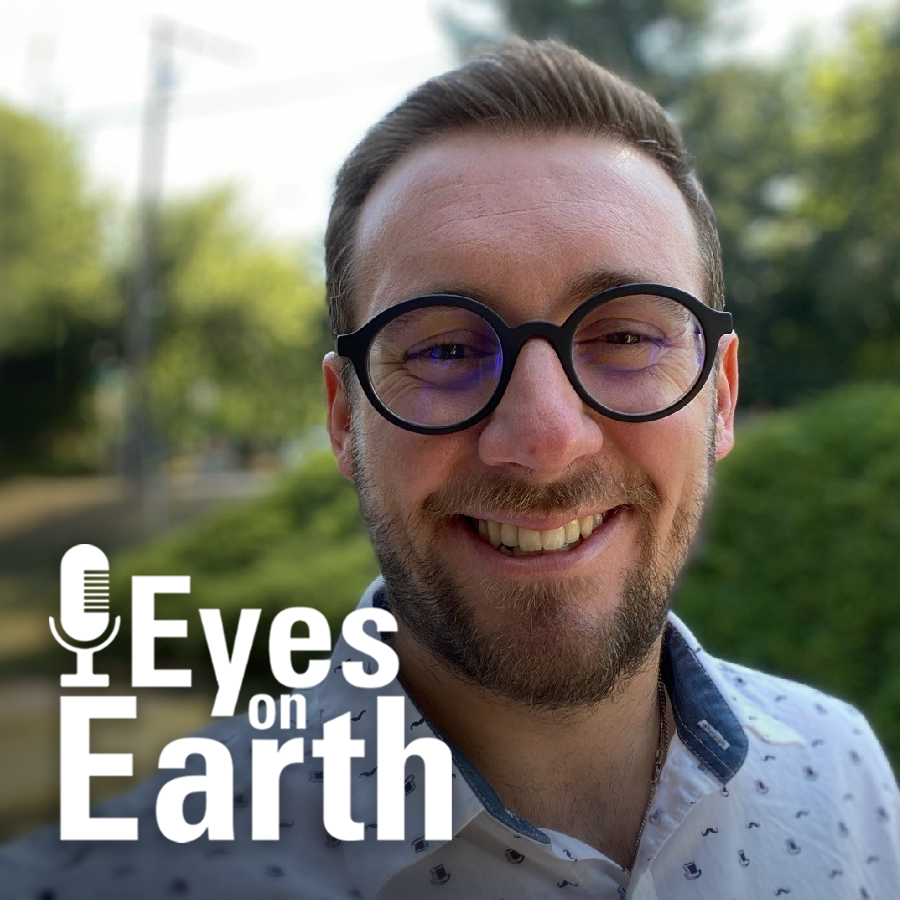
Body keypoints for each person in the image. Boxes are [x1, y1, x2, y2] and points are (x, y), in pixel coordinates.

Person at [2, 37, 898, 900]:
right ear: (345, 416)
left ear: (722, 395)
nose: (547, 440)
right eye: (443, 348)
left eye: (626, 335)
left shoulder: (844, 777)